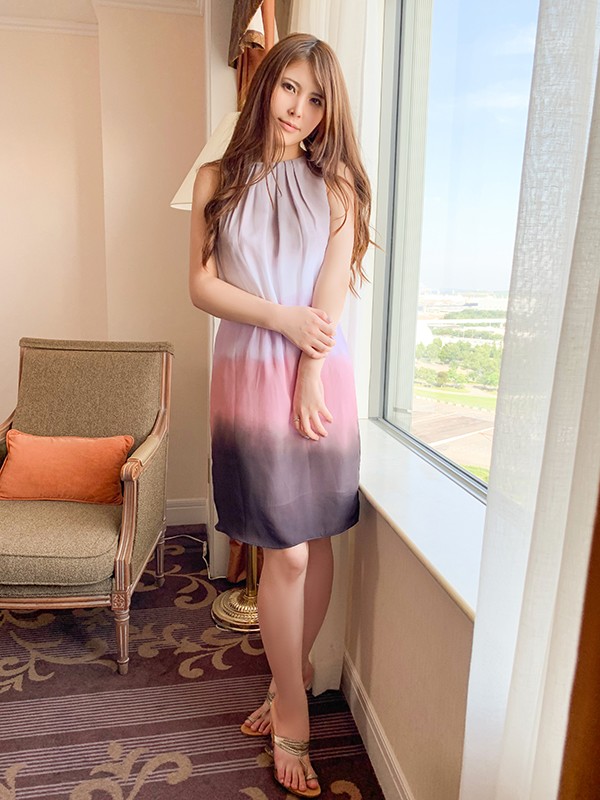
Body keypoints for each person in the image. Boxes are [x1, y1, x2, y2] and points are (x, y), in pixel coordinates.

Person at [189, 32, 371, 799]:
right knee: (283, 551)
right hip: (247, 374)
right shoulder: (214, 178)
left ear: (329, 112)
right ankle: (294, 702)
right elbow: (200, 286)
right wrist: (281, 321)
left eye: (316, 98)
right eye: (289, 87)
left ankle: (285, 678)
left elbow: (328, 292)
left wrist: (310, 370)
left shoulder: (336, 186)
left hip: (317, 376)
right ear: (265, 84)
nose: (298, 108)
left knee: (315, 535)